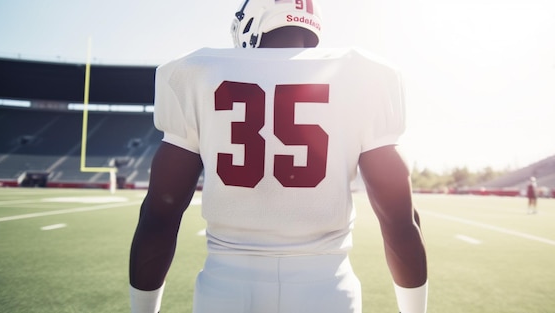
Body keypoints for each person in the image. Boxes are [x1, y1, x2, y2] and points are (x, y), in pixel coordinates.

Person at [129, 0, 428, 312]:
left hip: (225, 288)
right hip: (327, 287)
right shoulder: (362, 73)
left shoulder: (195, 71)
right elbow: (400, 219)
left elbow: (159, 216)